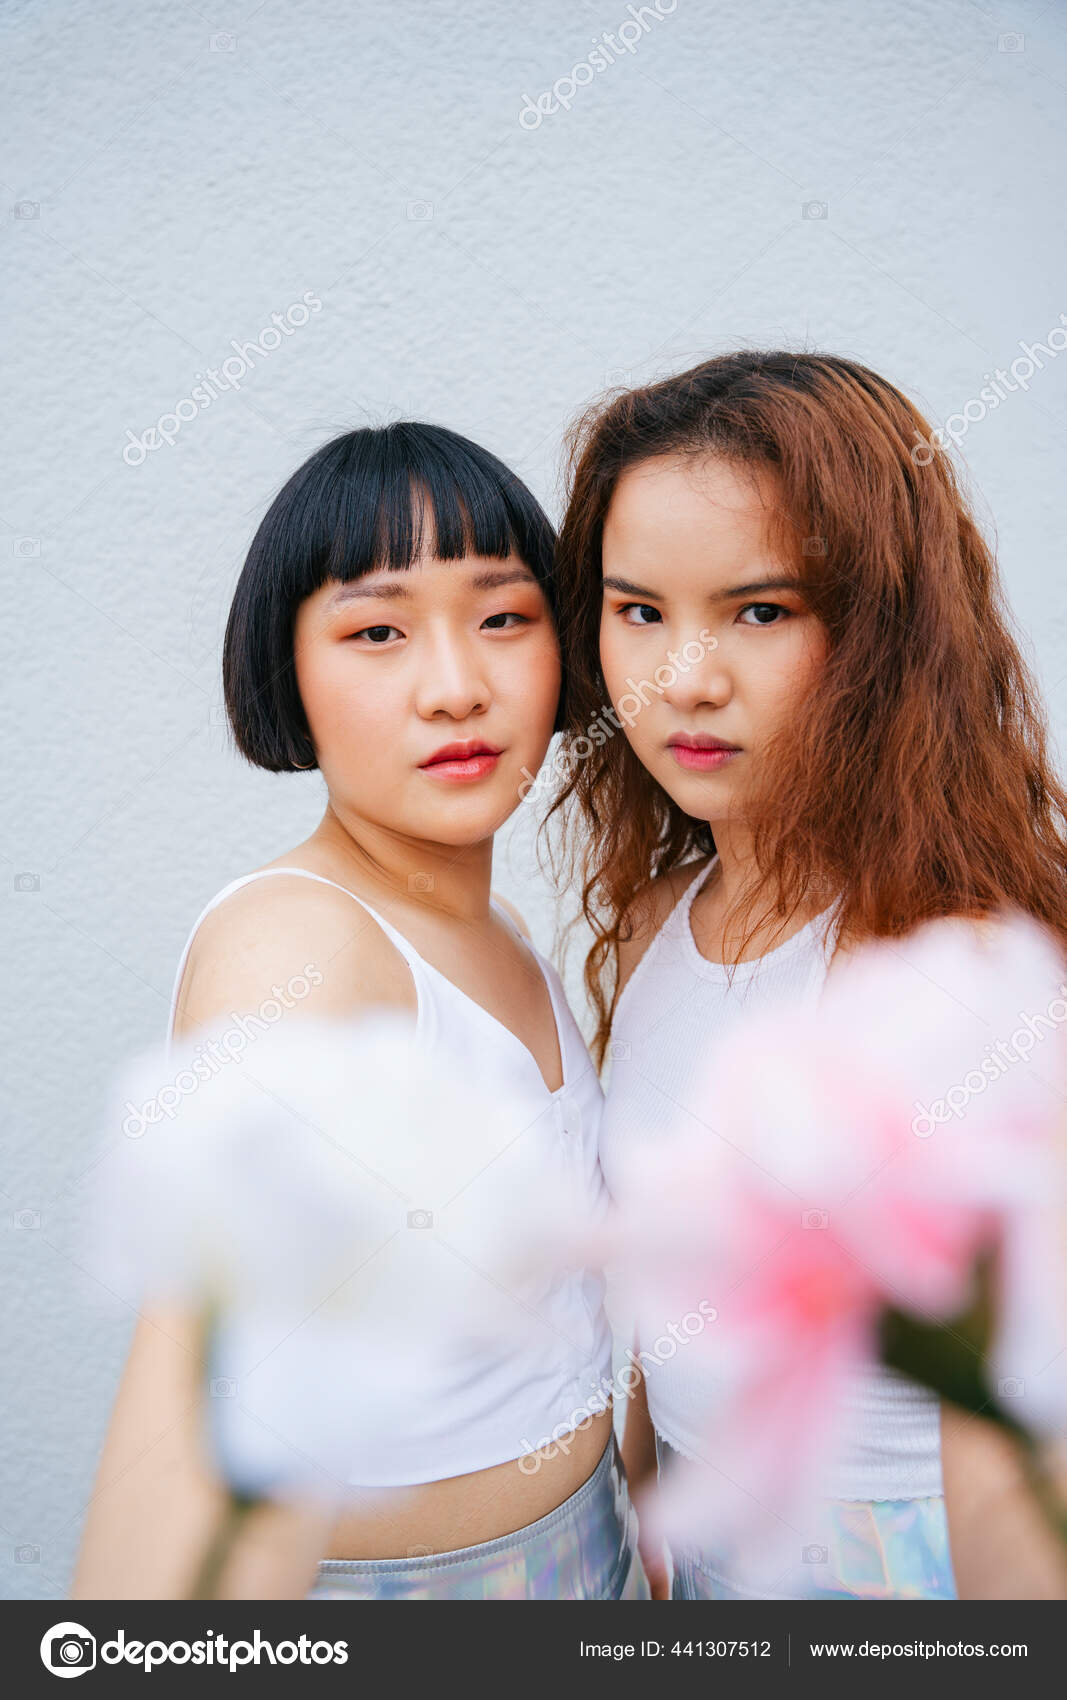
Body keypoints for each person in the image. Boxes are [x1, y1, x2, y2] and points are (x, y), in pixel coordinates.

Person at [72, 422, 648, 1601]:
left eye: (502, 616)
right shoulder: (296, 944)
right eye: (376, 632)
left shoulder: (515, 948)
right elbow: (200, 1380)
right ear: (288, 670)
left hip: (592, 1555)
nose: (455, 687)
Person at [544, 350, 1067, 1599]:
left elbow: (1012, 1432)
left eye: (760, 610)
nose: (685, 678)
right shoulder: (654, 921)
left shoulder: (956, 972)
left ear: (885, 631)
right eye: (638, 610)